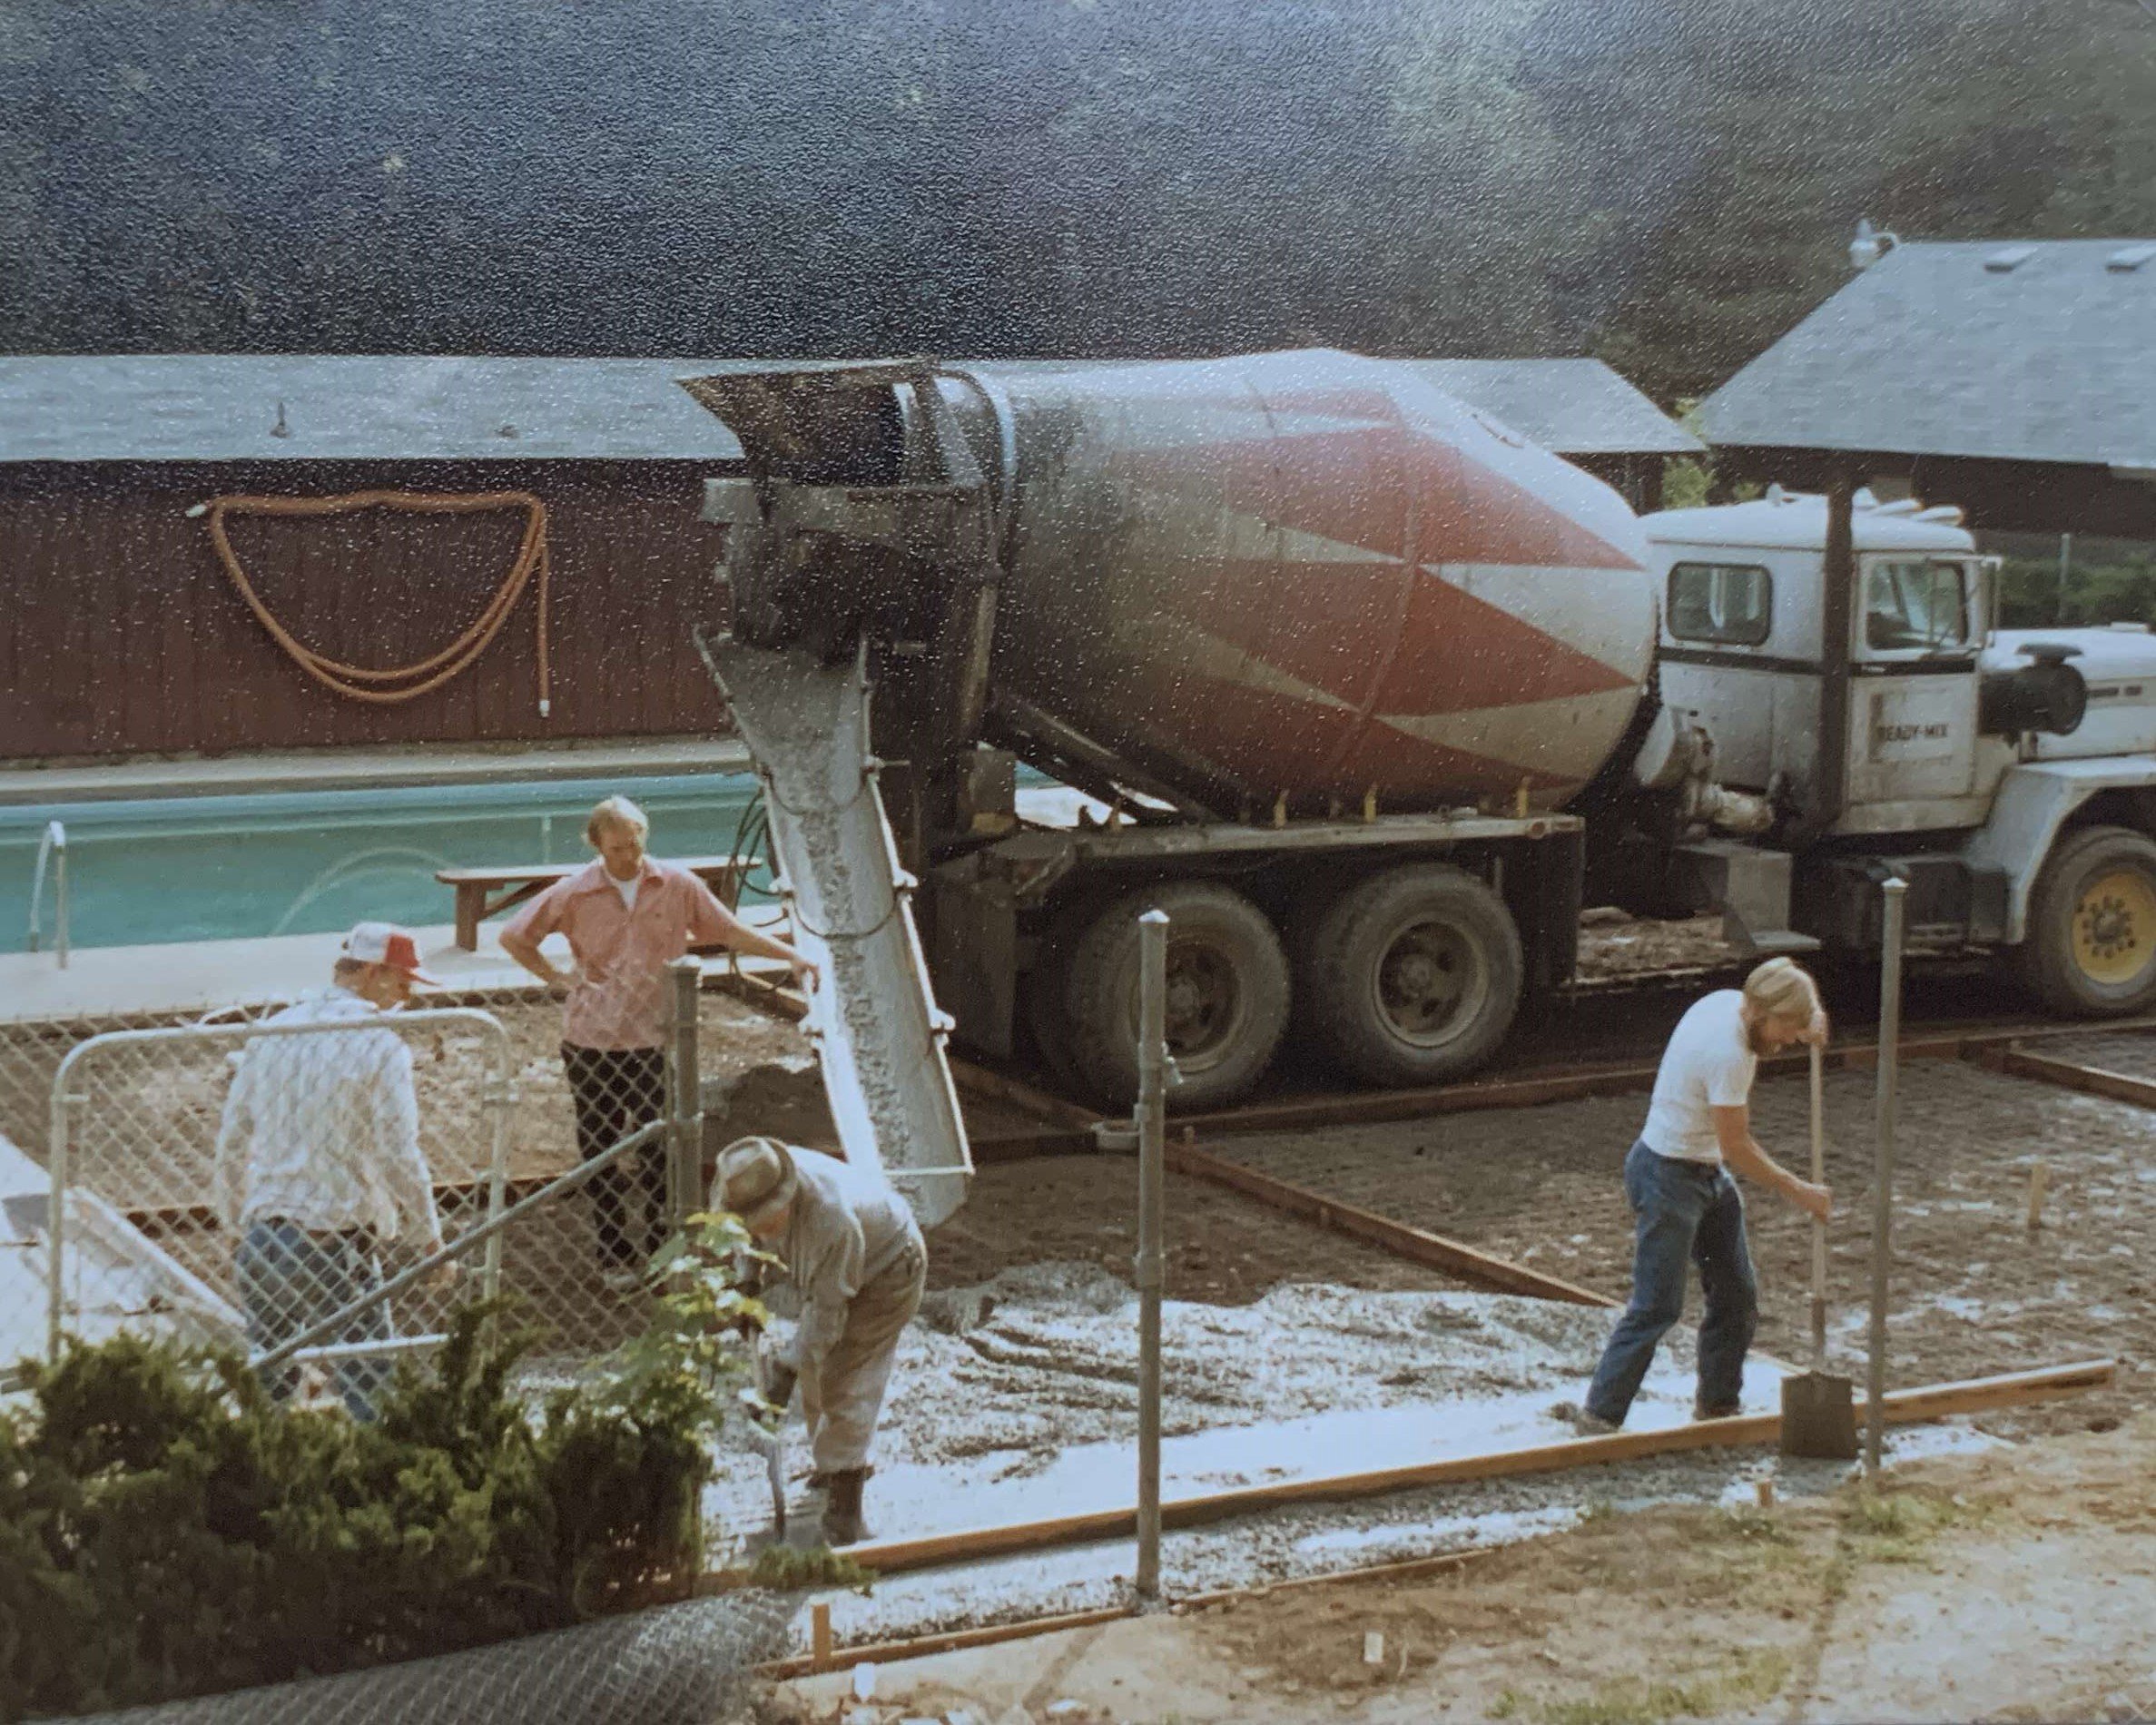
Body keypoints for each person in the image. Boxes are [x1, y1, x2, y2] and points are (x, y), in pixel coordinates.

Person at [500, 794, 816, 1289]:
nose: (631, 854)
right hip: (591, 1040)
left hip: (651, 1039)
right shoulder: (575, 892)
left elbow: (728, 931)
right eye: (619, 847)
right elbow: (516, 936)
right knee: (601, 1150)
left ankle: (661, 1248)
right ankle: (613, 1254)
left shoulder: (675, 884)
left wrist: (791, 954)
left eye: (637, 842)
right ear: (597, 844)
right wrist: (558, 980)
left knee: (663, 1151)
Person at [1557, 957, 1834, 1434]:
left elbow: (1787, 1013)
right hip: (1666, 1176)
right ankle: (1599, 1417)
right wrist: (1799, 1191)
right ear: (1761, 1013)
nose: (1787, 1041)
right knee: (1657, 1306)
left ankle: (1719, 1406)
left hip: (1704, 1173)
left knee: (1737, 1294)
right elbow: (1737, 1146)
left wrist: (1810, 1023)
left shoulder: (1733, 1002)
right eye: (1785, 1029)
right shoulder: (1728, 1055)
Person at [213, 922, 455, 1420]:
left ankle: (259, 1478)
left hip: (264, 1235)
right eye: (402, 981)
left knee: (268, 1386)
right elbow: (398, 1151)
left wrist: (234, 1223)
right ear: (372, 973)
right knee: (371, 1389)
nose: (407, 995)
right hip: (335, 1241)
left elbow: (232, 1140)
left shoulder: (272, 1032)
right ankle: (378, 1482)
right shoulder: (380, 1045)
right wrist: (429, 1239)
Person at [715, 1135, 927, 1547]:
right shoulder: (740, 1178)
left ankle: (847, 1505)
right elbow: (747, 1237)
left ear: (787, 1196)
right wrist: (746, 1283)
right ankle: (836, 1464)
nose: (761, 1226)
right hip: (840, 1273)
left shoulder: (830, 1219)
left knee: (846, 1377)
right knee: (815, 1365)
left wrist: (784, 1370)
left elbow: (827, 1315)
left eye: (768, 1217)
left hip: (889, 1270)